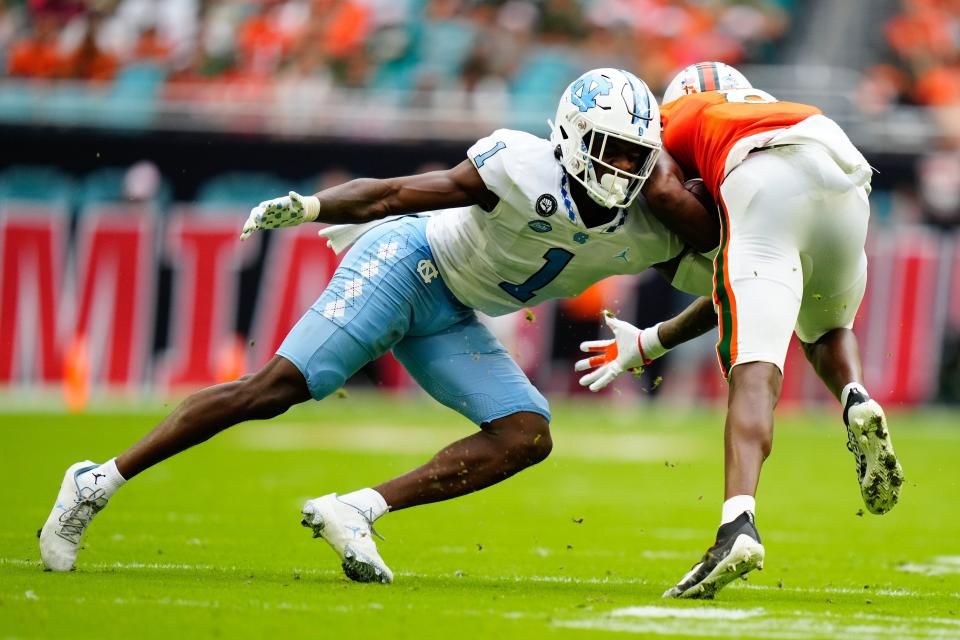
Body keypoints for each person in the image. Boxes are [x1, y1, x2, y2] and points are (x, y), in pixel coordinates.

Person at [39, 68, 717, 583]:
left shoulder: (655, 225)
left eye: (635, 154)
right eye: (609, 149)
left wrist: (666, 333)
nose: (620, 168)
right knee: (278, 388)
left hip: (453, 313)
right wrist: (310, 206)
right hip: (410, 259)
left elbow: (730, 285)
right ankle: (98, 480)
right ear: (569, 137)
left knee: (526, 434)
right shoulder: (519, 163)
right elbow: (398, 192)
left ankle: (357, 509)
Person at [575, 61, 904, 599]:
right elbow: (733, 292)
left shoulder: (673, 115)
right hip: (844, 170)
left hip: (761, 176)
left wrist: (696, 241)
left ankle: (737, 526)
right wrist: (651, 341)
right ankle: (855, 397)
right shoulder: (763, 103)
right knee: (823, 324)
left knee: (755, 370)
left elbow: (660, 192)